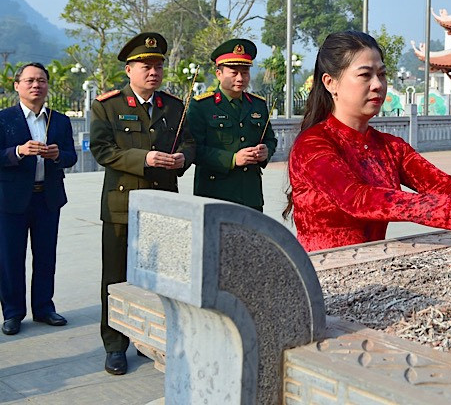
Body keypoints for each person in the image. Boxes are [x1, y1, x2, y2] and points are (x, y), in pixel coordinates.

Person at [286, 31, 451, 252]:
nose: (377, 85)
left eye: (382, 75)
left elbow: (443, 185)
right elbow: (357, 199)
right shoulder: (313, 145)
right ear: (331, 83)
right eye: (365, 75)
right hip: (322, 272)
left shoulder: (389, 147)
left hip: (373, 263)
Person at [89, 32, 195, 375]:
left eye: (158, 66)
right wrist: (144, 158)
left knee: (164, 278)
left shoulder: (173, 106)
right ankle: (115, 344)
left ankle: (158, 339)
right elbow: (102, 150)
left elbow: (190, 143)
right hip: (123, 203)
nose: (154, 71)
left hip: (164, 204)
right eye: (146, 66)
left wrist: (182, 159)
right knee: (116, 276)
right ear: (130, 70)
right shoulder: (108, 105)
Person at [0, 63, 77, 335]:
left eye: (41, 81)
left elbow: (71, 156)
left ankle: (44, 308)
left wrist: (58, 155)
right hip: (11, 201)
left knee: (45, 256)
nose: (36, 85)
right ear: (17, 85)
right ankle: (13, 313)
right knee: (10, 258)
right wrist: (18, 151)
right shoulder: (4, 119)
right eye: (30, 80)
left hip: (47, 198)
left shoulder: (60, 120)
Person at [187, 38, 277, 212]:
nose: (240, 78)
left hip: (251, 195)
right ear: (219, 74)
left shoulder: (257, 105)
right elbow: (193, 149)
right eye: (233, 72)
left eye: (245, 72)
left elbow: (270, 138)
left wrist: (266, 151)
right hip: (215, 194)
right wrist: (233, 159)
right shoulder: (202, 106)